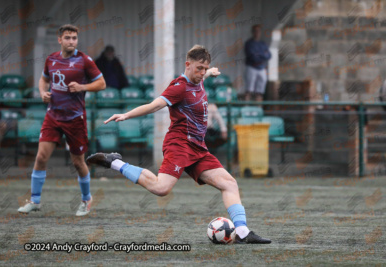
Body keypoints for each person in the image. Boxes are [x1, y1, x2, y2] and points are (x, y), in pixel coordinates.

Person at [87, 45, 271, 244]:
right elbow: (154, 105)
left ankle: (243, 232)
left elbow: (203, 74)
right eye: (199, 68)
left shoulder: (199, 78)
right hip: (180, 145)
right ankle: (114, 162)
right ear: (187, 65)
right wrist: (126, 114)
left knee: (229, 184)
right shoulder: (179, 86)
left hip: (198, 148)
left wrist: (210, 72)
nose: (202, 73)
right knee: (161, 188)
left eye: (204, 68)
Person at [18, 24, 106, 216]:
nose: (71, 41)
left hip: (75, 119)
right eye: (67, 38)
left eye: (74, 38)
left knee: (78, 162)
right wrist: (42, 93)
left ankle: (86, 200)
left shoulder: (85, 60)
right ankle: (35, 201)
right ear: (60, 40)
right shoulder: (51, 59)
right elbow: (43, 80)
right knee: (41, 157)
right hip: (53, 116)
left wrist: (82, 88)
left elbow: (102, 83)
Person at [244, 24, 271, 102]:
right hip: (251, 67)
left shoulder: (263, 43)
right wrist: (263, 54)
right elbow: (253, 57)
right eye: (255, 31)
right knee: (249, 90)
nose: (257, 33)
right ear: (253, 32)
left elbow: (269, 55)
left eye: (258, 31)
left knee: (260, 91)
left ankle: (259, 110)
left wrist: (259, 54)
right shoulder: (249, 43)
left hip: (262, 68)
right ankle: (246, 109)